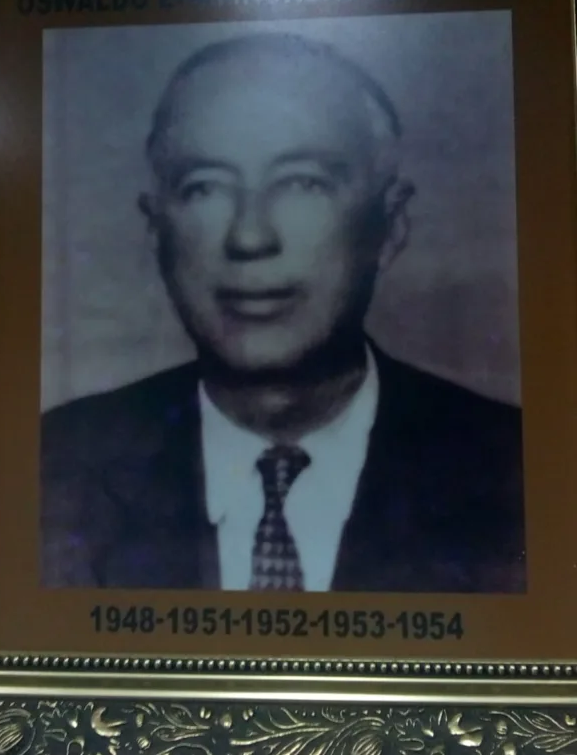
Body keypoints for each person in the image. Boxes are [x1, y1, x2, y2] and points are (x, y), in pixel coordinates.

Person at [41, 32, 526, 592]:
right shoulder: (53, 468)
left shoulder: (517, 469)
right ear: (157, 232)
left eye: (302, 183)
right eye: (205, 188)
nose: (250, 236)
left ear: (389, 226)